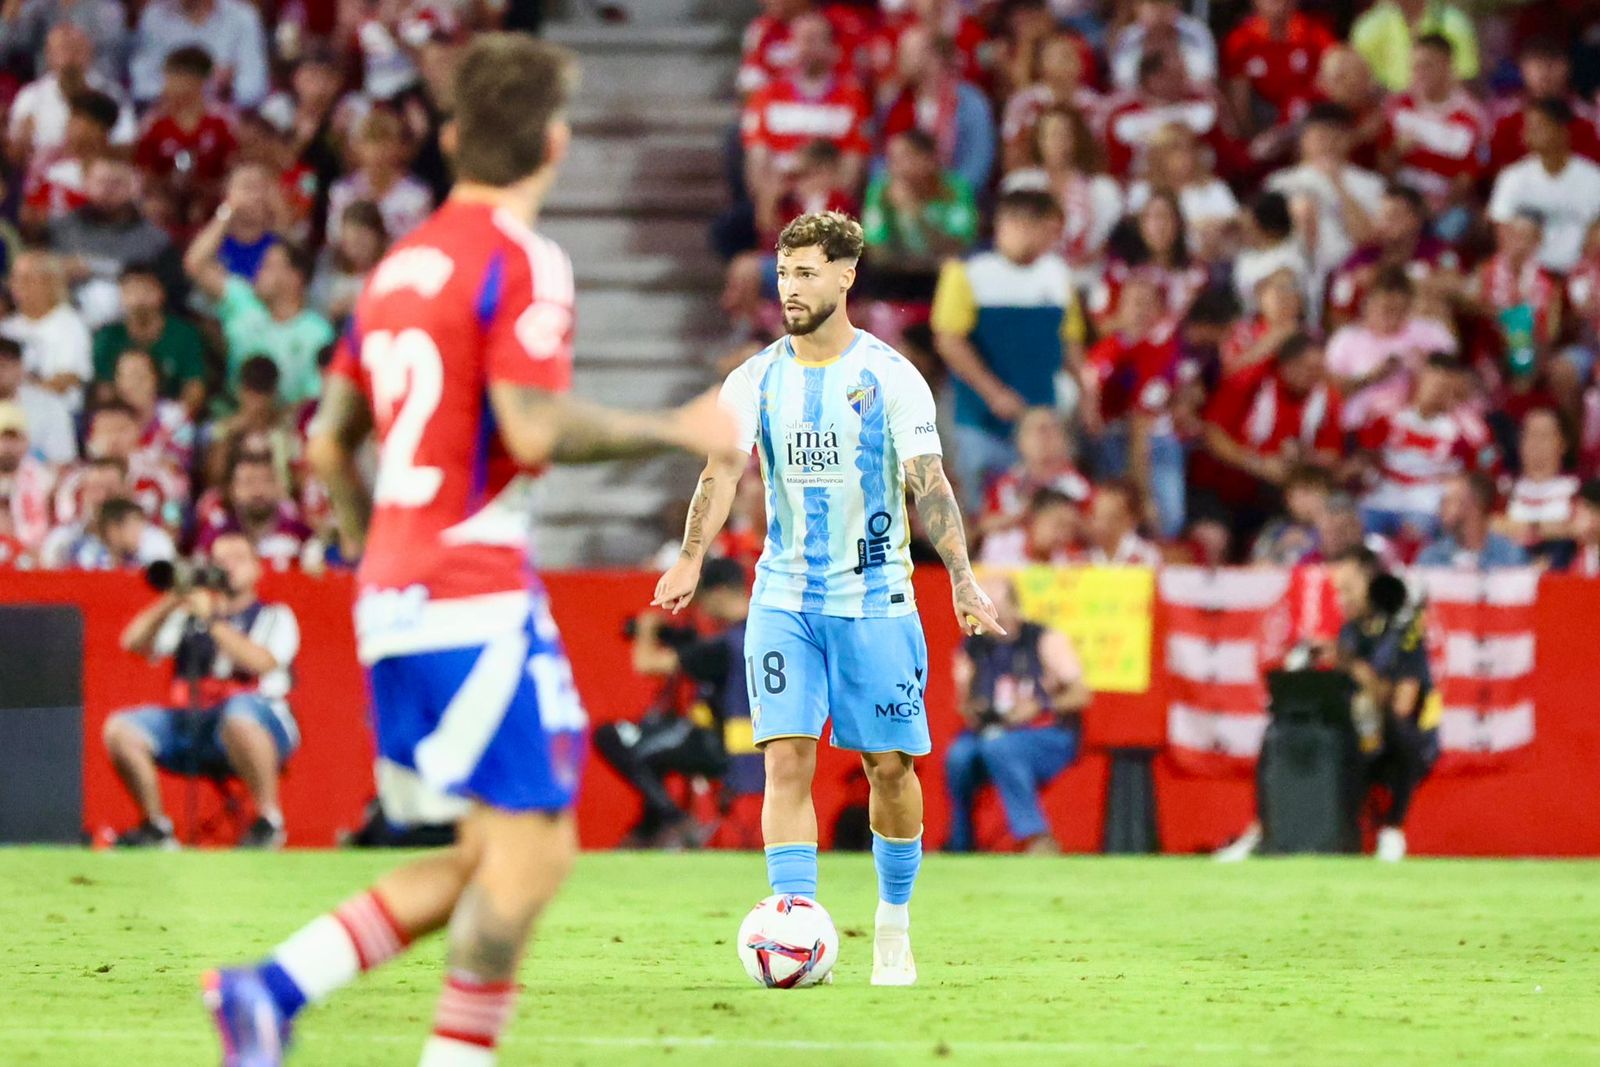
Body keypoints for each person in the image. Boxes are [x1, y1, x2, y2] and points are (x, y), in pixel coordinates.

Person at [202, 34, 739, 1066]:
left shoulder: (400, 265)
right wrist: (677, 427)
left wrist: (376, 560)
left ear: (450, 140)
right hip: (469, 584)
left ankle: (267, 990)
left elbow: (327, 442)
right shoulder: (521, 259)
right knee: (534, 859)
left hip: (402, 585)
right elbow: (531, 430)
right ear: (555, 142)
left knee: (494, 855)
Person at [653, 210, 1002, 987]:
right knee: (786, 759)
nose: (790, 288)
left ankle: (892, 924)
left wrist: (964, 578)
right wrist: (689, 557)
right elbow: (719, 473)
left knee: (888, 769)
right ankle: (794, 923)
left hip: (876, 600)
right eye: (783, 274)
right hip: (783, 600)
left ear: (847, 276)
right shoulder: (755, 377)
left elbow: (929, 484)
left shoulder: (890, 376)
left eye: (806, 272)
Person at [104, 531, 300, 849]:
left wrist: (212, 620)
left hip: (263, 723)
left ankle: (268, 822)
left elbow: (261, 662)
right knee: (120, 729)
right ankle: (156, 828)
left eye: (237, 559)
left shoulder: (274, 615)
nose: (228, 568)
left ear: (257, 568)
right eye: (220, 561)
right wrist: (173, 598)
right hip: (198, 724)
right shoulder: (189, 615)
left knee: (240, 713)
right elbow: (132, 642)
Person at [931, 189, 1082, 509]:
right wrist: (993, 392)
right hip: (981, 419)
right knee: (981, 506)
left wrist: (1087, 392)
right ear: (1018, 223)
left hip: (1042, 422)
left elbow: (1069, 340)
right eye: (1050, 229)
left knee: (1041, 508)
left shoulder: (1057, 274)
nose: (1055, 238)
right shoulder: (967, 270)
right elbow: (949, 340)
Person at [596, 558, 756, 848]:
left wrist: (646, 629)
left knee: (622, 742)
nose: (701, 610)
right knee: (650, 748)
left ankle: (674, 822)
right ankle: (649, 831)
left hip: (717, 746)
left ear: (717, 593)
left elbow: (646, 665)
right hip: (754, 747)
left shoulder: (726, 644)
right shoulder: (759, 632)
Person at [945, 572, 1089, 853]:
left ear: (1012, 606)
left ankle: (1036, 836)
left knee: (998, 746)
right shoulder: (972, 648)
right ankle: (961, 841)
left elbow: (1081, 694)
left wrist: (1039, 705)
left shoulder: (1045, 640)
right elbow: (962, 703)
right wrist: (976, 711)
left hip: (1047, 735)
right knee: (958, 756)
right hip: (990, 733)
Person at [1330, 546, 1441, 861]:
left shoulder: (1404, 631)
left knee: (1396, 727)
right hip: (1360, 738)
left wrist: (1354, 668)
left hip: (1404, 741)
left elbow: (1402, 704)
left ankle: (1393, 828)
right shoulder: (1349, 632)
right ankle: (1269, 830)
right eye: (1338, 592)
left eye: (1349, 589)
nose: (1343, 599)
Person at [185, 193, 335, 407]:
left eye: (268, 266)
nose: (258, 272)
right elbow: (195, 263)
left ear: (295, 278)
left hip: (286, 424)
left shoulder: (317, 332)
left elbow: (314, 396)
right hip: (231, 412)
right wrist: (229, 209)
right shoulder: (244, 301)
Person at [1488, 97, 1600, 275]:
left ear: (1562, 131)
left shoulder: (1593, 178)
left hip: (1580, 274)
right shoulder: (1512, 178)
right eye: (1528, 127)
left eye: (1539, 127)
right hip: (1527, 276)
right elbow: (1503, 233)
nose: (1528, 133)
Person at [91, 263, 207, 415]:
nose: (138, 298)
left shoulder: (184, 334)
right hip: (124, 417)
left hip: (172, 418)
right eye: (130, 291)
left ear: (160, 293)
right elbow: (104, 390)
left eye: (145, 290)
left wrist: (175, 417)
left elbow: (195, 387)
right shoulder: (107, 338)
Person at [129, 0, 270, 109]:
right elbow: (142, 86)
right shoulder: (153, 17)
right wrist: (196, 86)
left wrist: (227, 89)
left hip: (227, 116)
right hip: (166, 113)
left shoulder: (243, 18)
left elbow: (254, 88)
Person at [1349, 0, 1477, 93]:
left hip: (1440, 112)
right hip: (1385, 111)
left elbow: (1464, 79)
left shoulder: (1454, 24)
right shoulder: (1368, 27)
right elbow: (1357, 82)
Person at [1416, 471, 1530, 569]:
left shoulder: (1510, 556)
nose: (1441, 508)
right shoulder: (1431, 558)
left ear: (1474, 505)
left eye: (1448, 501)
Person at [0, 335, 74, 465]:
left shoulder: (49, 405)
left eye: (2, 366)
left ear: (20, 368)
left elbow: (61, 460)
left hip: (38, 480)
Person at [979, 485, 1081, 565]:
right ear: (1034, 519)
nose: (1065, 535)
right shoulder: (999, 545)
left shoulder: (1068, 561)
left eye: (1071, 529)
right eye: (1059, 525)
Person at [1084, 480, 1162, 566]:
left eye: (1110, 518)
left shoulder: (1146, 556)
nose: (1099, 525)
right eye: (1096, 517)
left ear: (1130, 521)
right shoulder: (1083, 558)